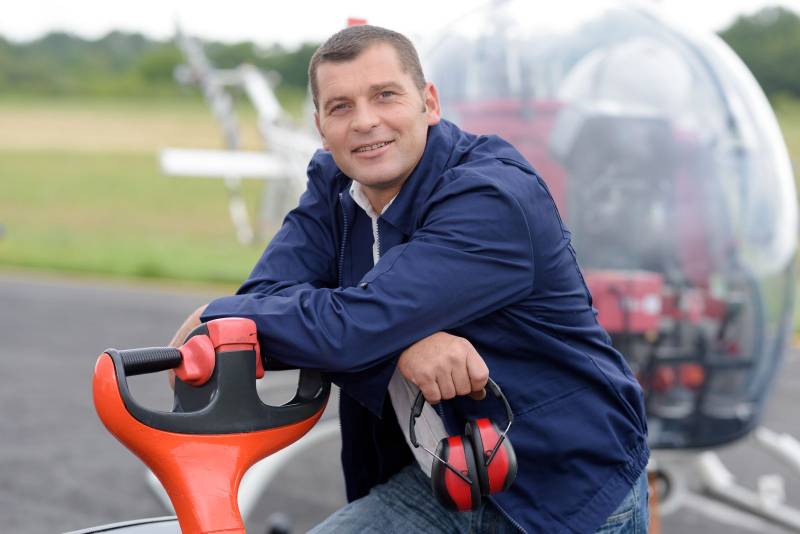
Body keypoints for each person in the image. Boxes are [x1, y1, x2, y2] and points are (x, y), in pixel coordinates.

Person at [170, 25, 649, 533]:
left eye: (385, 96)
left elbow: (346, 328)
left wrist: (215, 315)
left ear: (429, 103)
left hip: (564, 489)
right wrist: (402, 343)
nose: (365, 121)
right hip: (443, 478)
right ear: (321, 128)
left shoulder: (493, 197)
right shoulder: (334, 184)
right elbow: (269, 298)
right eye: (341, 107)